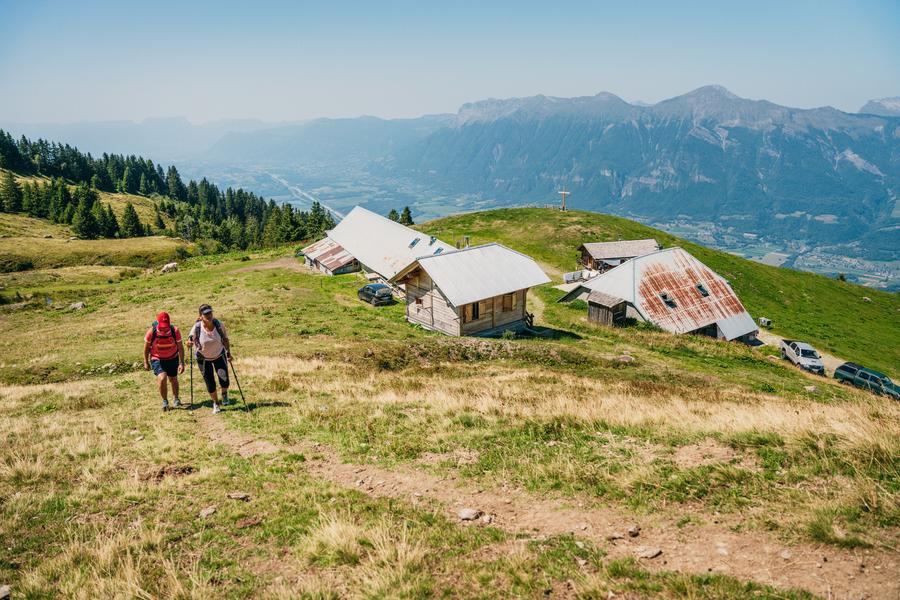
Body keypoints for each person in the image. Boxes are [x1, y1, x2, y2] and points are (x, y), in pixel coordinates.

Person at [188, 304, 233, 414]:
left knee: (224, 379)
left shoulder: (219, 325)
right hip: (203, 358)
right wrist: (188, 343)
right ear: (200, 316)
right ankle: (216, 403)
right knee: (210, 382)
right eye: (206, 314)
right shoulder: (197, 327)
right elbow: (189, 340)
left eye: (210, 313)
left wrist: (228, 353)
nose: (209, 315)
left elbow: (225, 339)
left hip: (219, 355)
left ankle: (224, 394)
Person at [143, 311, 185, 411]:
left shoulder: (175, 330)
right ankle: (165, 401)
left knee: (173, 379)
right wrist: (146, 362)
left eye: (165, 326)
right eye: (162, 326)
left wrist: (181, 362)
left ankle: (176, 399)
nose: (164, 328)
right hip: (157, 358)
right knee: (162, 378)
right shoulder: (151, 332)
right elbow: (146, 348)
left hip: (172, 357)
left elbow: (180, 347)